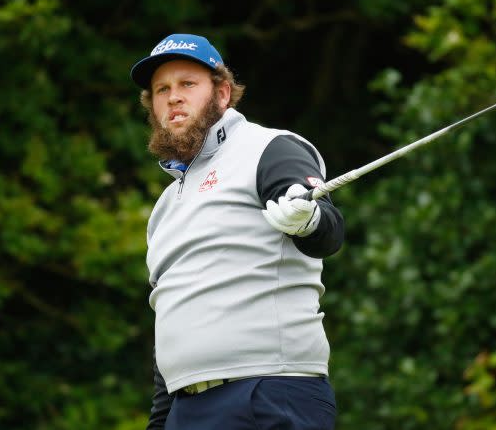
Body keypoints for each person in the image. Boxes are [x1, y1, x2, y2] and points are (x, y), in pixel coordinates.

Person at [130, 33, 344, 430]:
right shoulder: (163, 208)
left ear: (223, 94)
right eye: (162, 89)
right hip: (186, 408)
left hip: (270, 391)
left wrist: (307, 220)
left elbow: (327, 231)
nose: (173, 97)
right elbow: (172, 316)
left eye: (187, 84)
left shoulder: (268, 148)